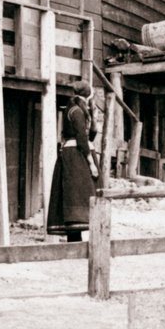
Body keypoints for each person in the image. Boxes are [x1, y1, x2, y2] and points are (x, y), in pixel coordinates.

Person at [46, 81, 98, 242]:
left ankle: (75, 238)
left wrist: (94, 116)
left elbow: (92, 134)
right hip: (76, 156)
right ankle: (74, 239)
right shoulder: (76, 111)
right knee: (77, 193)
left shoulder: (78, 110)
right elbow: (82, 139)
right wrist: (91, 163)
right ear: (88, 95)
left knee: (75, 192)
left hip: (73, 154)